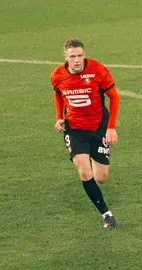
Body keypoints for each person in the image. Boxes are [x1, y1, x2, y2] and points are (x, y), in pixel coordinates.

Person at [51, 38, 120, 229]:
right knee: (84, 171)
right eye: (72, 56)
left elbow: (114, 97)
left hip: (98, 128)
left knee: (101, 178)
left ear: (84, 55)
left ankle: (90, 155)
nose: (77, 60)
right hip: (74, 130)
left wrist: (111, 127)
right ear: (65, 57)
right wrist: (59, 117)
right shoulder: (57, 75)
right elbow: (58, 93)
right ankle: (106, 214)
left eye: (80, 55)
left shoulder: (98, 70)